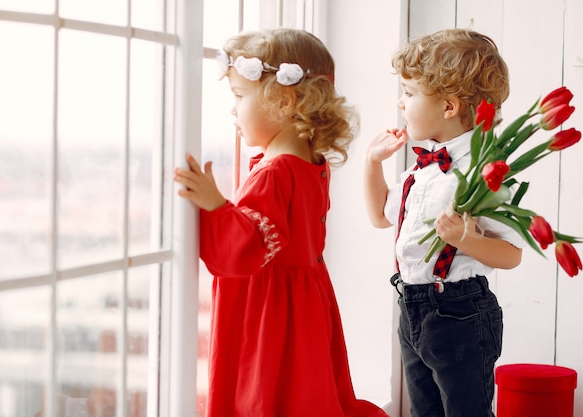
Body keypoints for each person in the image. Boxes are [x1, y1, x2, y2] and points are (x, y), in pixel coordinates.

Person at [174, 28, 388, 417]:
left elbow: (247, 247)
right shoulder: (312, 164)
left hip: (270, 313)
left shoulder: (275, 172)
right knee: (302, 391)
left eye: (240, 97)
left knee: (267, 392)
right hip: (305, 303)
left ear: (284, 101)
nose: (233, 110)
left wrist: (215, 205)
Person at [363, 29, 524, 417]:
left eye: (410, 92)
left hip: (460, 313)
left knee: (466, 410)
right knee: (424, 410)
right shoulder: (421, 169)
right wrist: (372, 163)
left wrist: (466, 239)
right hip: (412, 307)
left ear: (449, 107)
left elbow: (512, 254)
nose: (401, 103)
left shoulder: (487, 170)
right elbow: (379, 217)